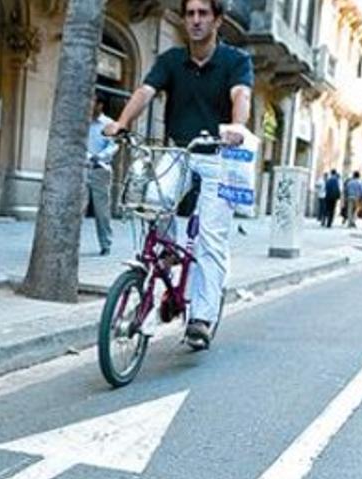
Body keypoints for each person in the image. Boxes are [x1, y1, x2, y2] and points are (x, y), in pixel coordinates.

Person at [105, 0, 253, 350]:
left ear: (217, 20)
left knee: (210, 240)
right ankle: (168, 252)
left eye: (204, 14)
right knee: (152, 200)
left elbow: (241, 94)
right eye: (190, 14)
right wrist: (122, 123)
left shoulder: (235, 61)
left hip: (218, 155)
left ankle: (201, 319)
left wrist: (236, 126)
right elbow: (146, 91)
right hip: (179, 151)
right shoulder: (172, 60)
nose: (196, 20)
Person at [86, 96, 119, 256]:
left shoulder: (108, 124)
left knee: (102, 211)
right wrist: (87, 156)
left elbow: (113, 146)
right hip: (82, 168)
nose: (90, 105)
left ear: (100, 105)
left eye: (92, 102)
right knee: (75, 208)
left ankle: (106, 244)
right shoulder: (82, 123)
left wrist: (99, 157)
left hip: (100, 169)